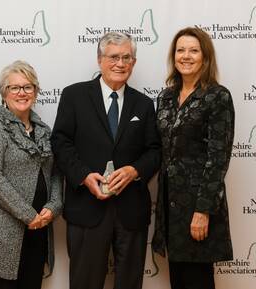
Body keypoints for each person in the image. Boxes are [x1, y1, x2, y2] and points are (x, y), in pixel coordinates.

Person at [51, 32, 161, 289]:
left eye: (126, 57)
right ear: (100, 59)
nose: (120, 64)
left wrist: (135, 171)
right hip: (86, 208)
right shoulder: (74, 96)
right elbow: (60, 142)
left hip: (131, 211)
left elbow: (155, 151)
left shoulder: (144, 104)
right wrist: (83, 176)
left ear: (133, 63)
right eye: (113, 57)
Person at [152, 27, 235, 289]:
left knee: (198, 279)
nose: (186, 56)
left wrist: (203, 211)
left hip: (198, 205)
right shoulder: (165, 97)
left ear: (205, 56)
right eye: (180, 50)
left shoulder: (217, 96)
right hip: (169, 204)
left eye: (193, 50)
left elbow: (218, 158)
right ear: (173, 56)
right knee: (178, 278)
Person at [0, 60, 63, 289]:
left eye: (27, 87)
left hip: (38, 229)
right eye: (15, 87)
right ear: (4, 93)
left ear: (36, 92)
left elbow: (55, 174)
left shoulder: (44, 130)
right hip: (3, 232)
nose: (22, 93)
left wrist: (54, 205)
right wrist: (28, 215)